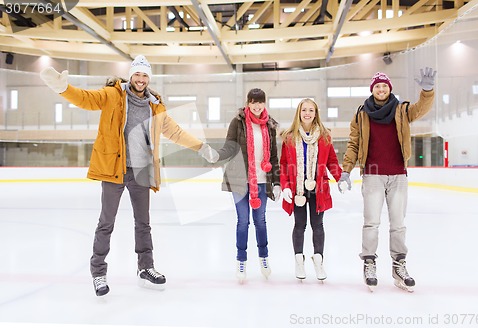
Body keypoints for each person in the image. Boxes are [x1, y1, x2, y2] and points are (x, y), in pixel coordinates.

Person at [39, 55, 215, 296]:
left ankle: (146, 267)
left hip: (142, 172)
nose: (141, 79)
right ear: (131, 75)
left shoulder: (155, 105)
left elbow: (174, 131)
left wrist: (201, 147)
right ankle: (99, 273)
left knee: (143, 224)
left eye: (145, 75)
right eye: (137, 74)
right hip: (114, 169)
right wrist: (63, 89)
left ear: (148, 79)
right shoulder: (113, 95)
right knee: (106, 223)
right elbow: (87, 100)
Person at [339, 67, 437, 292]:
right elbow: (354, 144)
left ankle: (398, 265)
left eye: (384, 86)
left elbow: (421, 109)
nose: (381, 89)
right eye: (377, 86)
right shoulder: (361, 114)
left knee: (398, 224)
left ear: (389, 88)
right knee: (371, 222)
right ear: (372, 89)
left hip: (398, 174)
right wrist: (346, 170)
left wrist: (427, 90)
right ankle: (369, 263)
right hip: (373, 174)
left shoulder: (401, 110)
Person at [200, 88, 281, 283]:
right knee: (243, 221)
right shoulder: (238, 122)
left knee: (260, 221)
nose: (257, 106)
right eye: (253, 102)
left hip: (262, 181)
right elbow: (230, 146)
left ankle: (263, 257)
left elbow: (274, 156)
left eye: (260, 102)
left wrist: (276, 182)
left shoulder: (269, 125)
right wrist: (217, 155)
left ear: (264, 103)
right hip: (240, 181)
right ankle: (241, 260)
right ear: (248, 102)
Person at [279, 98, 343, 281]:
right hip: (297, 189)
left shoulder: (325, 136)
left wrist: (340, 178)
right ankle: (299, 261)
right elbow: (283, 165)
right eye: (304, 110)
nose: (307, 113)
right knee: (299, 225)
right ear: (299, 112)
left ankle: (318, 261)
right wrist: (285, 186)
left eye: (311, 110)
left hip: (318, 188)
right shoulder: (290, 137)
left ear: (316, 114)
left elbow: (332, 161)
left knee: (318, 225)